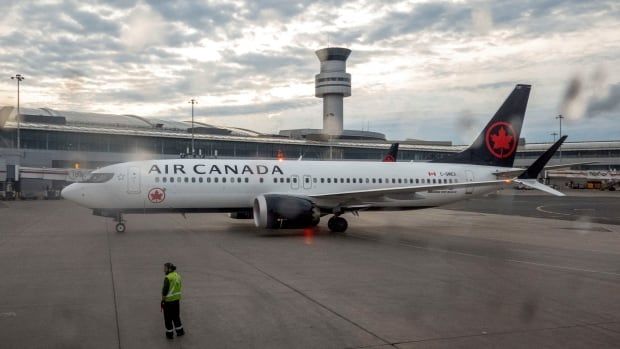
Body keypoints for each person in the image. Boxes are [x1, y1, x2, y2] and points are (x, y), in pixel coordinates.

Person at [161, 262, 184, 339]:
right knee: (176, 317)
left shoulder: (168, 278)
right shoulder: (177, 276)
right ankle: (180, 331)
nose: (164, 270)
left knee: (168, 319)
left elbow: (165, 290)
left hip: (169, 302)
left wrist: (163, 300)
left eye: (165, 268)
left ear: (169, 269)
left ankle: (170, 334)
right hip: (176, 301)